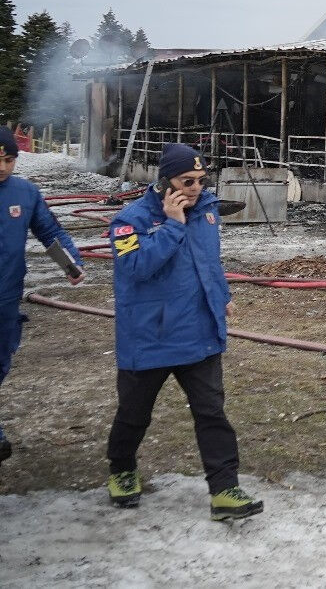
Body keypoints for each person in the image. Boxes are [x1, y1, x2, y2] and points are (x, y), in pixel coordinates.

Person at [104, 142, 262, 520]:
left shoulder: (207, 211)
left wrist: (222, 296)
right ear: (164, 182)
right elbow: (136, 267)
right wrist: (172, 226)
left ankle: (224, 489)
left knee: (212, 413)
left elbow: (210, 262)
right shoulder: (128, 221)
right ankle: (122, 469)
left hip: (200, 333)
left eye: (201, 180)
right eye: (186, 181)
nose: (195, 188)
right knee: (134, 414)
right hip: (150, 336)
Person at [0, 125, 84, 465]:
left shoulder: (25, 193)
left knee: (1, 361)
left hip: (7, 295)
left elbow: (49, 232)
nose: (3, 167)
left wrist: (70, 264)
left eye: (9, 159)